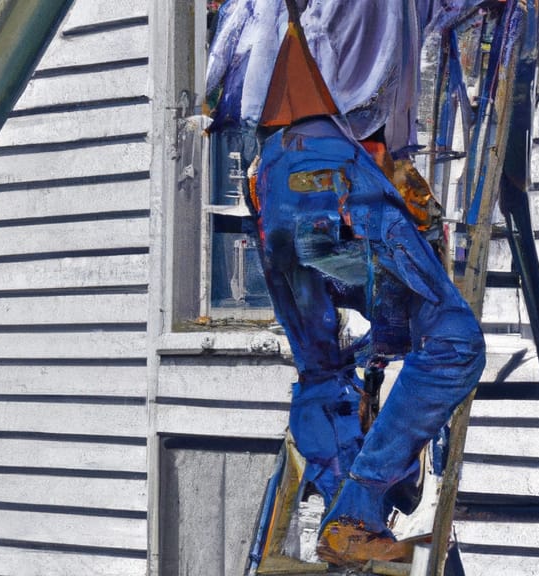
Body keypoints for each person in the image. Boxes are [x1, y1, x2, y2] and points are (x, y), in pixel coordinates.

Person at [206, 0, 488, 566]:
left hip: (273, 177)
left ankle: (344, 518)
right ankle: (357, 506)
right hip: (334, 175)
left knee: (325, 367)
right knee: (455, 341)